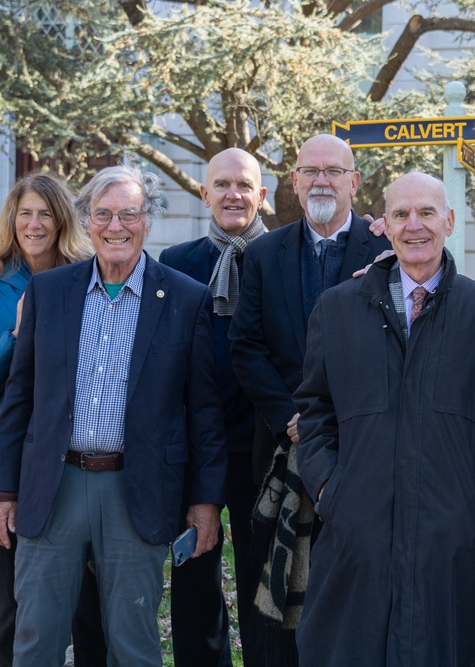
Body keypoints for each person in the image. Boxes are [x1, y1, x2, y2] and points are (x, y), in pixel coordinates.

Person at [0, 164, 227, 667]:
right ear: (86, 221)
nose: (116, 226)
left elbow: (205, 414)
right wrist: (2, 490)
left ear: (148, 220)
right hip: (54, 485)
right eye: (103, 214)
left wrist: (205, 502)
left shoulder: (186, 298)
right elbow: (19, 399)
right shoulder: (49, 292)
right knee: (36, 636)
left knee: (133, 641)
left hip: (135, 489)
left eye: (129, 214)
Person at [294, 172, 475, 666]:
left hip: (448, 540)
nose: (415, 226)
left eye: (427, 213)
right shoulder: (338, 309)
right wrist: (332, 490)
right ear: (385, 227)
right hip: (357, 534)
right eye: (401, 215)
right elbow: (314, 410)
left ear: (450, 221)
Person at [228, 133, 391, 664]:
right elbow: (246, 346)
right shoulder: (263, 253)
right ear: (294, 183)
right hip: (279, 456)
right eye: (310, 171)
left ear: (355, 182)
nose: (322, 180)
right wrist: (290, 418)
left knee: (347, 599)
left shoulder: (388, 248)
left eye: (334, 171)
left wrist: (334, 423)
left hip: (361, 455)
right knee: (270, 603)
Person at [0, 173, 106, 667]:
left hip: (81, 468)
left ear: (62, 221)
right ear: (11, 222)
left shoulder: (92, 280)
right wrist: (16, 333)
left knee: (90, 615)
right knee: (14, 617)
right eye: (24, 214)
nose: (34, 224)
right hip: (5, 471)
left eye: (45, 214)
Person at [158, 147, 268, 667]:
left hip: (262, 449)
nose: (233, 194)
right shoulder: (176, 264)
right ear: (204, 193)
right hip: (195, 448)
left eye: (244, 185)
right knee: (195, 581)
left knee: (261, 582)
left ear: (261, 195)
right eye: (221, 184)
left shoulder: (283, 256)